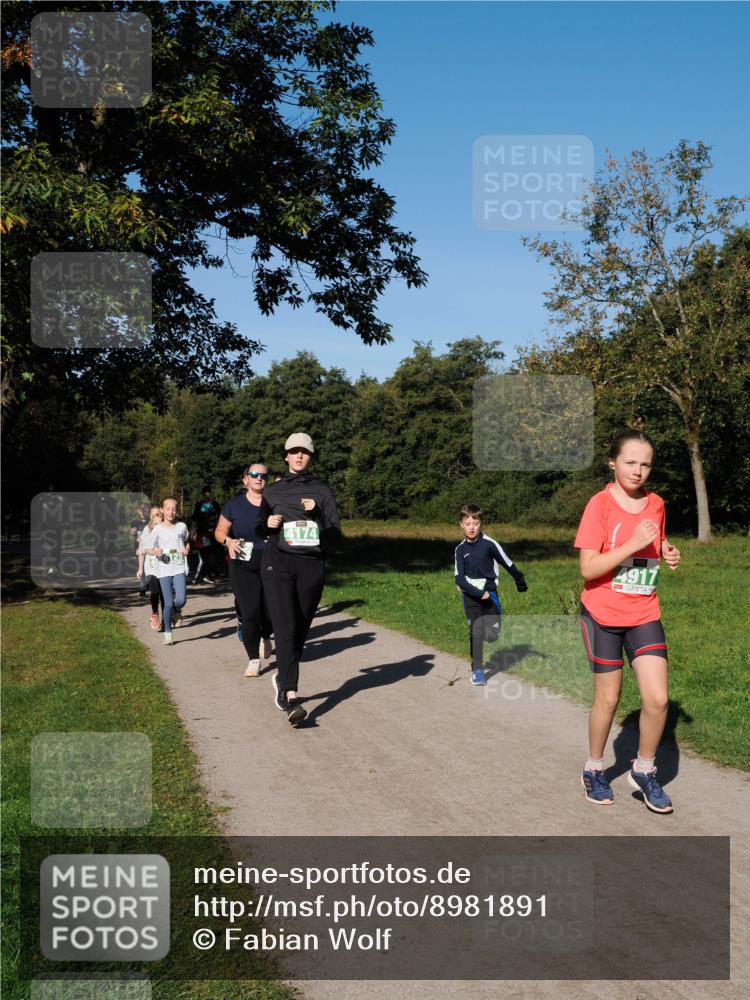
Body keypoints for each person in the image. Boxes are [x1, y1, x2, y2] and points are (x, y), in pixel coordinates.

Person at [575, 430, 681, 813]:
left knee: (658, 699)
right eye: (630, 462)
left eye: (645, 464)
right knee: (608, 698)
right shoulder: (599, 505)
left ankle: (644, 769)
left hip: (643, 612)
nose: (638, 471)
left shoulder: (656, 504)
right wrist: (632, 544)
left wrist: (666, 551)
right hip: (602, 615)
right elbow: (589, 568)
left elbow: (655, 543)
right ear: (613, 463)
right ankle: (594, 768)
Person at [256, 433, 341, 726]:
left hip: (311, 565)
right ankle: (291, 695)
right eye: (294, 451)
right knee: (286, 628)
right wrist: (267, 524)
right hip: (277, 564)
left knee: (301, 629)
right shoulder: (273, 492)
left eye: (304, 451)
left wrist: (316, 513)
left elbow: (335, 535)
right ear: (286, 457)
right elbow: (259, 526)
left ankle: (283, 676)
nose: (299, 455)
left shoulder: (322, 490)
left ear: (311, 457)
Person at [454, 504, 528, 686]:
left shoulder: (489, 544)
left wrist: (519, 580)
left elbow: (507, 562)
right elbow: (459, 579)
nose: (472, 527)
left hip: (490, 594)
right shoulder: (460, 550)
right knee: (476, 630)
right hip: (471, 596)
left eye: (476, 523)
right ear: (461, 524)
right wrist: (479, 593)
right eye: (468, 523)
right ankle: (478, 670)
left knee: (492, 635)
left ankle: (486, 639)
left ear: (481, 523)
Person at [215, 463, 274, 678]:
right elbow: (219, 531)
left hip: (271, 562)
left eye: (263, 475)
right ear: (245, 480)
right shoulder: (234, 505)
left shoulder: (275, 502)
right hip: (242, 564)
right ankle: (253, 659)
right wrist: (228, 541)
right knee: (250, 613)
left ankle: (266, 635)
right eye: (254, 474)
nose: (259, 478)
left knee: (270, 612)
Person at [143, 497, 190, 645]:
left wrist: (186, 548)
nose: (171, 512)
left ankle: (176, 610)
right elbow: (146, 548)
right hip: (163, 570)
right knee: (168, 603)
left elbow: (187, 541)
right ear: (162, 510)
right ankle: (168, 633)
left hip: (179, 567)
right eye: (168, 509)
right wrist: (154, 551)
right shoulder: (157, 529)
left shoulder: (181, 526)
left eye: (174, 509)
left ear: (177, 510)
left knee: (181, 600)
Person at [136, 505, 166, 630]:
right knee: (154, 592)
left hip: (164, 568)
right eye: (153, 515)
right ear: (150, 517)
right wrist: (140, 569)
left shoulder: (166, 529)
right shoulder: (147, 530)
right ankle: (155, 613)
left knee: (164, 594)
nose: (156, 516)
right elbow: (142, 550)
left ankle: (166, 620)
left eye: (158, 514)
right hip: (151, 568)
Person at [192, 485, 222, 582]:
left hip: (214, 533)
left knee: (214, 554)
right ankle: (200, 577)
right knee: (206, 554)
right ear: (203, 494)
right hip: (203, 534)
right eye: (205, 492)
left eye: (208, 492)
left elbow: (221, 517)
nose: (207, 494)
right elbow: (194, 518)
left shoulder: (215, 504)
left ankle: (209, 574)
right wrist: (193, 532)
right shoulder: (199, 504)